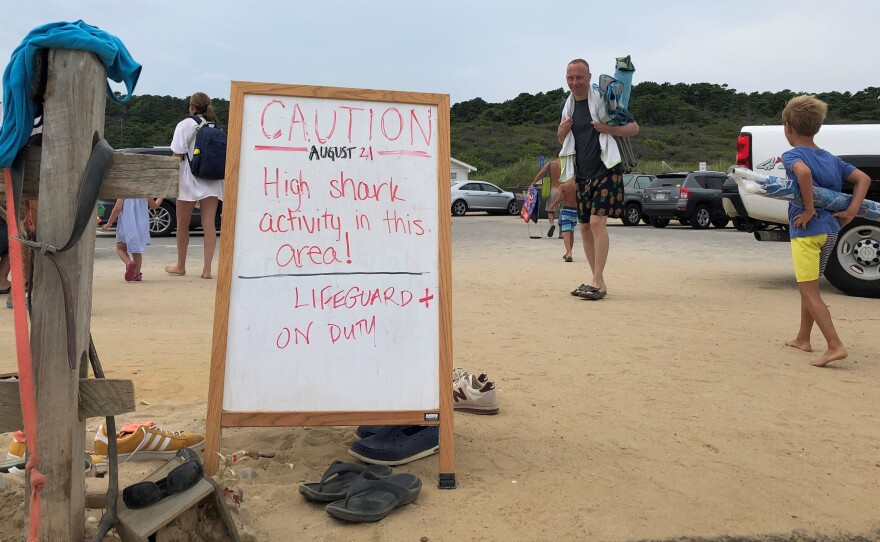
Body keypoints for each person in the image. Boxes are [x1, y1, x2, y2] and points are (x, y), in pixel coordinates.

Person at [779, 95, 870, 367]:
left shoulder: (792, 155)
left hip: (806, 232)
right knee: (811, 286)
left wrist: (808, 209)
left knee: (808, 291)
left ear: (788, 127)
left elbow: (803, 173)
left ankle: (835, 345)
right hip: (830, 231)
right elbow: (863, 179)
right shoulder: (831, 159)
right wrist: (852, 211)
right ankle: (803, 338)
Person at [558, 58, 639, 300]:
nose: (575, 82)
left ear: (590, 77)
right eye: (570, 78)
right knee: (583, 227)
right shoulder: (568, 106)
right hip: (582, 175)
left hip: (606, 170)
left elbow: (634, 128)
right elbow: (563, 139)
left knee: (596, 223)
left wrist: (609, 129)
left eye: (579, 77)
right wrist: (561, 131)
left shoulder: (604, 100)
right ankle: (598, 281)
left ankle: (596, 280)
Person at [165, 92, 224, 279]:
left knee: (182, 223)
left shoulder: (184, 125)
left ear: (191, 106)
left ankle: (180, 265)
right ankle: (207, 270)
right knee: (209, 224)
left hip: (188, 181)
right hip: (212, 181)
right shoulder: (217, 127)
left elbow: (177, 155)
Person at [102, 198, 162, 281]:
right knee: (136, 251)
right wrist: (162, 196)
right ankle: (137, 274)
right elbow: (154, 205)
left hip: (126, 224)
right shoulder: (145, 192)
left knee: (120, 248)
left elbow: (117, 207)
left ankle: (129, 263)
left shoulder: (124, 191)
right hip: (141, 226)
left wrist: (109, 223)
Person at [530, 158, 562, 238]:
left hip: (552, 190)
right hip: (563, 190)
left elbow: (540, 174)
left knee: (550, 210)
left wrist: (533, 183)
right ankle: (561, 233)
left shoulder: (550, 164)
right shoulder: (566, 164)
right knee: (562, 212)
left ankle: (551, 224)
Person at [549, 180, 578, 262]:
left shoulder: (563, 186)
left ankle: (569, 253)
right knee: (571, 233)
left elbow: (558, 199)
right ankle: (568, 252)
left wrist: (552, 205)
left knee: (566, 233)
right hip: (575, 211)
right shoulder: (577, 185)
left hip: (566, 211)